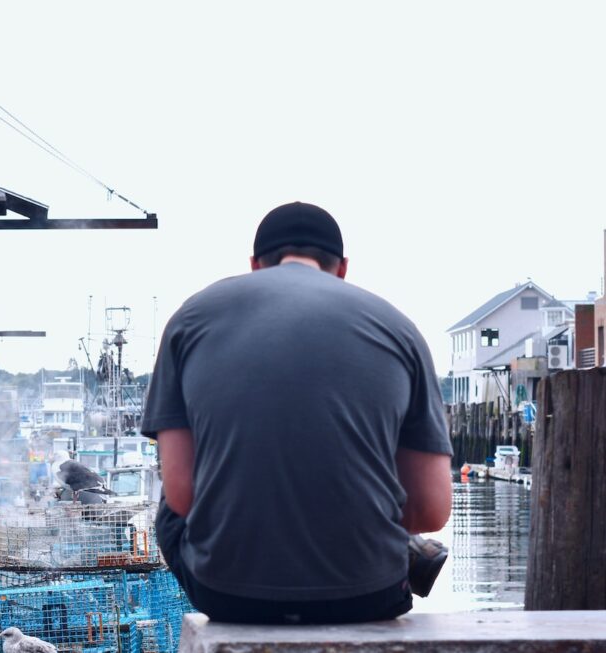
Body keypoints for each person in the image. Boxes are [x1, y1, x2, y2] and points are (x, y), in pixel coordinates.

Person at [142, 201, 452, 624]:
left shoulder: (190, 318)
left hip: (230, 595)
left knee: (167, 499)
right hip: (368, 594)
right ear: (342, 268)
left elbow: (182, 494)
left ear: (255, 265)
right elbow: (431, 511)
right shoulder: (399, 327)